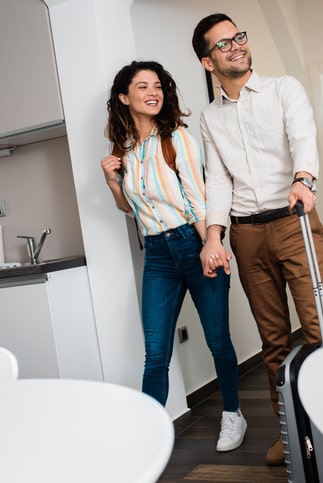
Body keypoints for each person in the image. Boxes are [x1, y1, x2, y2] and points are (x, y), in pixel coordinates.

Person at [192, 14, 323, 465]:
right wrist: (214, 236)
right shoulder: (210, 117)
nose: (236, 45)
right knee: (274, 341)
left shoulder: (284, 89)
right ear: (208, 61)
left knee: (322, 329)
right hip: (245, 234)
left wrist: (304, 179)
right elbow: (217, 180)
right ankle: (293, 433)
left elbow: (303, 137)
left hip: (293, 221)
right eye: (224, 44)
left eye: (238, 36)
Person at [100, 60, 246, 452]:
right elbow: (130, 209)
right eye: (143, 86)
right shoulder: (123, 149)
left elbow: (197, 199)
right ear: (123, 97)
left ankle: (232, 415)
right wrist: (113, 183)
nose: (153, 92)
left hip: (192, 242)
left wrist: (211, 246)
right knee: (156, 352)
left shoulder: (177, 138)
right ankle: (147, 435)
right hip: (158, 256)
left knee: (218, 339)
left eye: (158, 86)